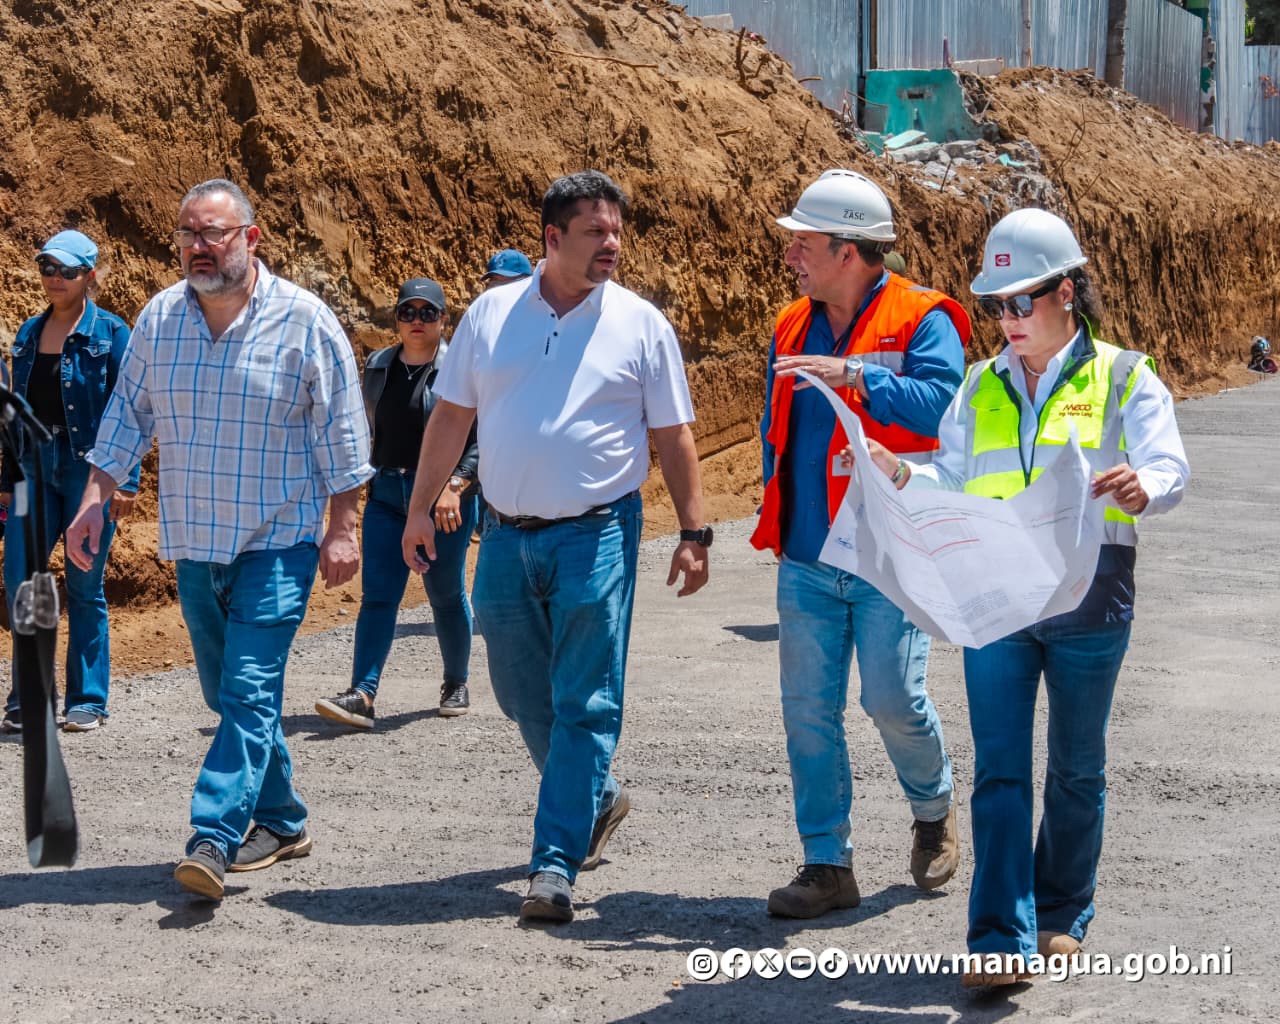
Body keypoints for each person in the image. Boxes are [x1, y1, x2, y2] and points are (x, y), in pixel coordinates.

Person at [853, 208, 1189, 987]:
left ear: (1066, 293)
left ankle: (1062, 910)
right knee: (1000, 769)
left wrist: (1147, 486)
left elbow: (1169, 465)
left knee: (1075, 767)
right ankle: (1000, 937)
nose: (1006, 319)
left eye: (1020, 302)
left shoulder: (1125, 375)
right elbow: (953, 475)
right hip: (998, 597)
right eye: (996, 306)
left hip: (1090, 598)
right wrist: (904, 475)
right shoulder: (978, 385)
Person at [401, 170, 711, 924]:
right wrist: (418, 509)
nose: (611, 244)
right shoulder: (490, 313)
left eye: (616, 231)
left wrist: (696, 529)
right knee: (515, 693)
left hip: (598, 531)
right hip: (503, 535)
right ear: (552, 238)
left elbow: (673, 435)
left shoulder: (641, 323)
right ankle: (595, 799)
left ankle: (554, 864)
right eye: (594, 232)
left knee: (585, 699)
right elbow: (450, 420)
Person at [66, 179, 373, 900]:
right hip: (196, 544)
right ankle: (285, 819)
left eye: (213, 234)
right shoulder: (160, 320)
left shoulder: (305, 321)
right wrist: (92, 501)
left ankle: (213, 833)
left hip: (280, 541)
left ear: (251, 239)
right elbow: (124, 421)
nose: (197, 247)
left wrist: (343, 527)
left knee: (248, 688)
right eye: (187, 235)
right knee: (227, 694)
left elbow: (345, 435)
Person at [751, 169, 968, 919]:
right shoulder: (789, 324)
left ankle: (934, 809)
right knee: (808, 710)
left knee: (890, 696)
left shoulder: (923, 318)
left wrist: (857, 379)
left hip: (886, 556)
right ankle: (825, 862)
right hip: (809, 556)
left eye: (803, 242)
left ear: (848, 251)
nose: (791, 255)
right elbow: (774, 428)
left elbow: (944, 411)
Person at [314, 278, 479, 728]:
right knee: (378, 597)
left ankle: (455, 680)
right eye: (409, 312)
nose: (418, 321)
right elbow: (364, 429)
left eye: (429, 312)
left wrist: (455, 486)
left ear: (445, 319)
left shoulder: (460, 369)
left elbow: (479, 438)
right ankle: (362, 694)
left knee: (444, 594)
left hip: (445, 502)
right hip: (387, 495)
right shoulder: (378, 366)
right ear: (398, 319)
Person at [1, 230, 140, 734]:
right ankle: (30, 696)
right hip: (31, 468)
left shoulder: (112, 333)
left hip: (90, 469)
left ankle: (88, 700)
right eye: (46, 267)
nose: (53, 278)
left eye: (65, 270)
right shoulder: (26, 333)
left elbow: (132, 410)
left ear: (89, 276)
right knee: (21, 581)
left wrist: (126, 480)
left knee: (84, 584)